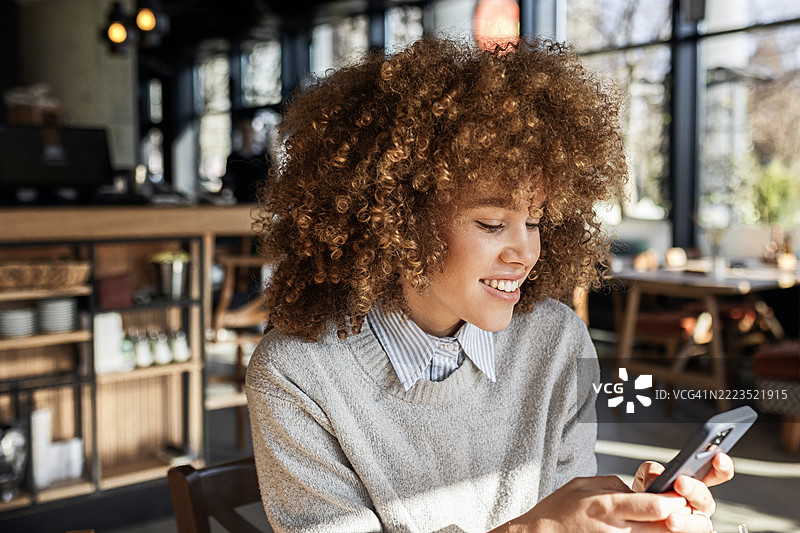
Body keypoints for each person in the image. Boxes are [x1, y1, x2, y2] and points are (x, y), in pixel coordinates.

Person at [246, 36, 733, 533]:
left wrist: (626, 521)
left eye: (537, 220)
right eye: (492, 224)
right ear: (398, 221)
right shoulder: (297, 375)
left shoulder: (556, 341)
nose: (525, 253)